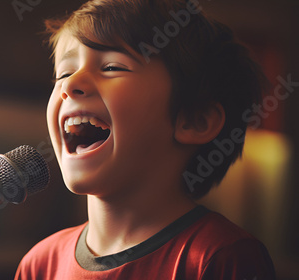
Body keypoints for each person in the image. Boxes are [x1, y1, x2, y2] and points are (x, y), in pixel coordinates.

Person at [15, 0, 276, 279]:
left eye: (113, 67)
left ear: (195, 121)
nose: (69, 84)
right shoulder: (39, 264)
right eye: (64, 73)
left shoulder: (219, 257)